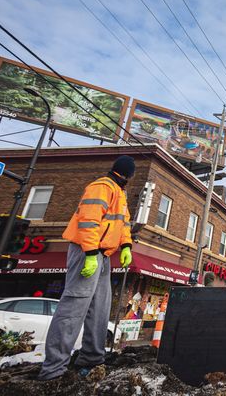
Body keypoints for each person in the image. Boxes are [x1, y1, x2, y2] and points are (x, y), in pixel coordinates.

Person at [38, 156, 135, 381]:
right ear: (128, 174)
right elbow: (88, 221)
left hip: (104, 255)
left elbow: (124, 223)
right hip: (86, 252)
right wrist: (91, 253)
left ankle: (92, 358)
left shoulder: (120, 193)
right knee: (74, 305)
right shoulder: (101, 187)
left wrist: (126, 245)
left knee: (100, 306)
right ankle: (53, 369)